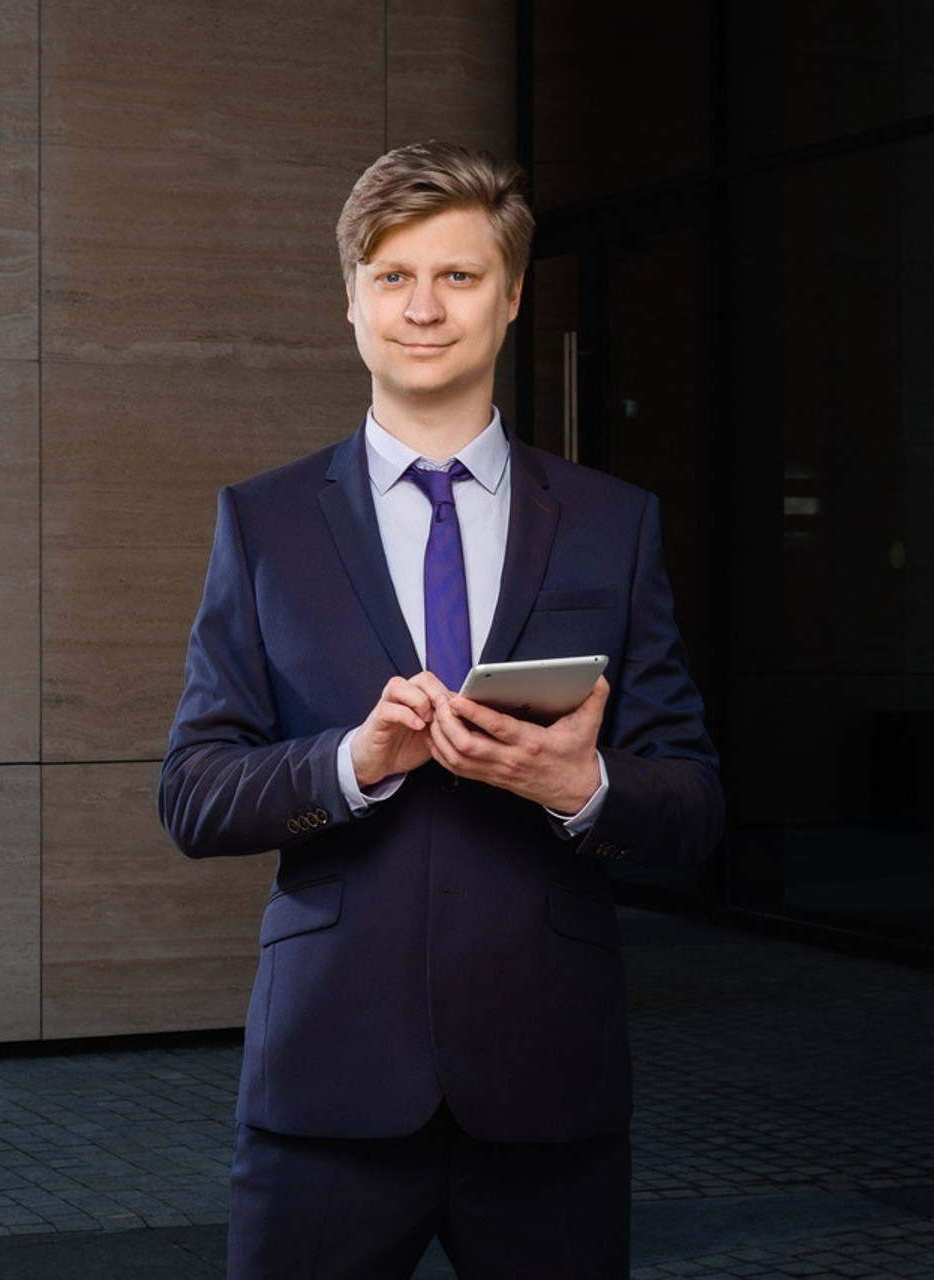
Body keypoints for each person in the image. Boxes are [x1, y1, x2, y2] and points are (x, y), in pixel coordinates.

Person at [159, 140, 724, 1279]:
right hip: (326, 1080)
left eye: (457, 276)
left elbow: (695, 805)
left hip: (545, 1085)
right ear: (351, 301)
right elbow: (193, 789)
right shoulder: (262, 522)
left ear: (511, 297)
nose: (422, 307)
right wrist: (350, 761)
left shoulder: (614, 524)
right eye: (391, 276)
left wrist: (579, 784)